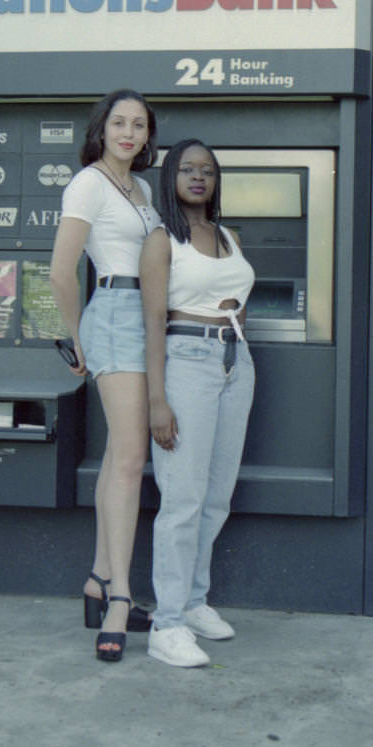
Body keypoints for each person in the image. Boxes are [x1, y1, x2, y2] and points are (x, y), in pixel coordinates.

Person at [50, 89, 160, 663]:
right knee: (129, 460)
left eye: (138, 124)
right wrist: (76, 336)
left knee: (123, 453)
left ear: (147, 136)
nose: (128, 132)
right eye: (119, 122)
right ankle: (120, 597)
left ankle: (98, 578)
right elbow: (62, 269)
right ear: (102, 128)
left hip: (146, 317)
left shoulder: (140, 189)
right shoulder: (89, 183)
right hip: (114, 314)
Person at [139, 139, 256, 668]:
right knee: (182, 499)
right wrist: (156, 400)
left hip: (236, 360)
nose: (198, 176)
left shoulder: (229, 236)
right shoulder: (162, 240)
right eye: (187, 168)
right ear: (171, 178)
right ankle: (165, 625)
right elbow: (152, 324)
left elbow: (238, 302)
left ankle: (192, 601)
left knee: (216, 496)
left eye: (207, 170)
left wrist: (235, 349)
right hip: (185, 359)